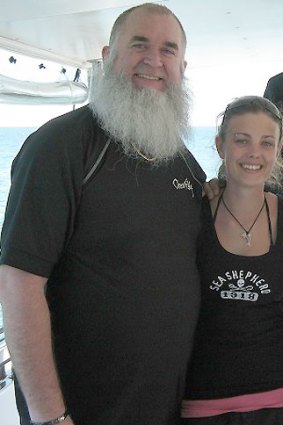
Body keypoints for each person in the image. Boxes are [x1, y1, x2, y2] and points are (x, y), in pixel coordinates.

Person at [0, 3, 207, 425]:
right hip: (81, 411)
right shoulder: (59, 148)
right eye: (139, 45)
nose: (154, 60)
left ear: (182, 66)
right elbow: (19, 283)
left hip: (166, 408)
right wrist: (49, 416)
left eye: (168, 50)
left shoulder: (185, 163)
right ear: (108, 54)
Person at [181, 95, 283, 424]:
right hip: (202, 404)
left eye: (266, 143)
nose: (255, 153)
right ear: (220, 145)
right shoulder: (190, 214)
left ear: (278, 150)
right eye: (242, 140)